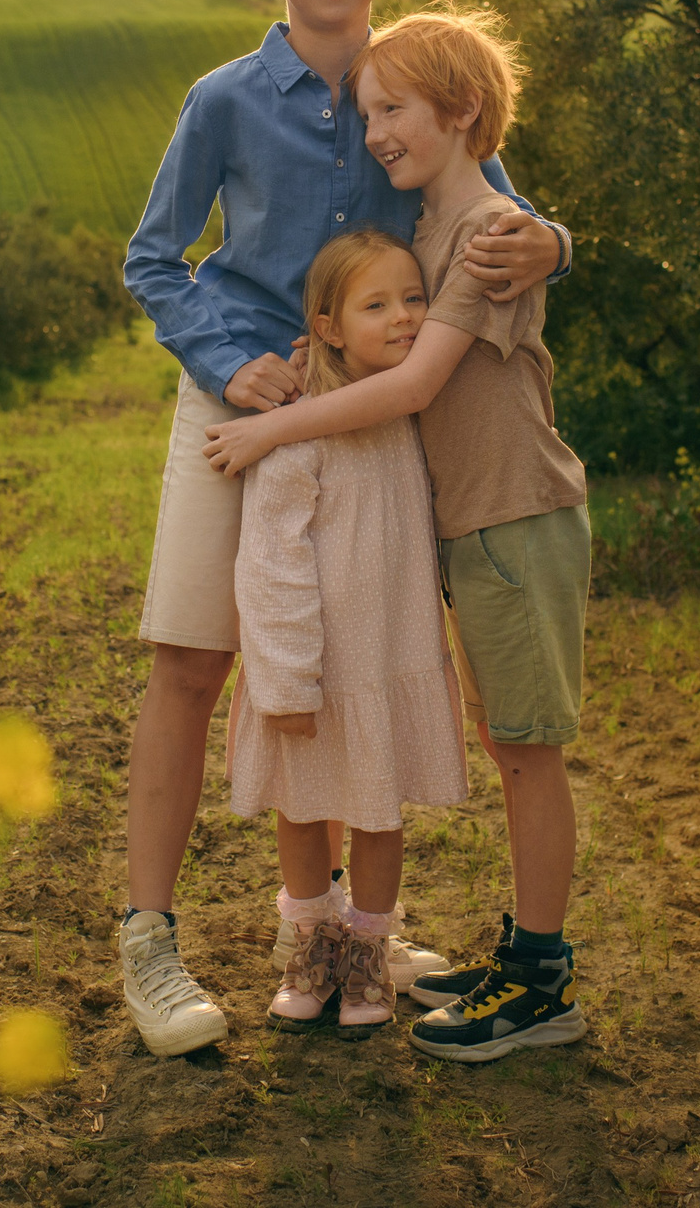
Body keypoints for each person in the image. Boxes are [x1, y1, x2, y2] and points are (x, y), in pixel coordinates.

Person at [117, 0, 571, 1056]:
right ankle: (149, 939)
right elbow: (153, 256)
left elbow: (501, 211)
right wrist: (230, 363)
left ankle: (347, 935)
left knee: (357, 663)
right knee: (191, 660)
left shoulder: (408, 86)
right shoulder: (223, 99)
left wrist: (557, 242)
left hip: (374, 429)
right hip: (241, 408)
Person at [202, 6, 592, 1063]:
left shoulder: (487, 234)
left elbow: (415, 384)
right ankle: (524, 954)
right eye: (367, 112)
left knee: (526, 751)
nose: (372, 132)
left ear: (460, 112)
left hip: (517, 514)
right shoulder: (435, 231)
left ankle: (541, 981)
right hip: (475, 524)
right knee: (512, 741)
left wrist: (271, 427)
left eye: (391, 110)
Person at [229, 228, 470, 1033]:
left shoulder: (410, 407)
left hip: (390, 655)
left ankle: (368, 948)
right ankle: (311, 942)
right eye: (377, 305)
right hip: (317, 667)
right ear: (327, 326)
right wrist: (287, 679)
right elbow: (272, 563)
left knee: (377, 811)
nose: (404, 317)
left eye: (414, 298)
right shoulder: (297, 430)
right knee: (302, 809)